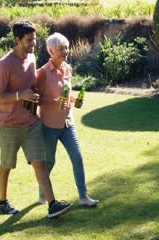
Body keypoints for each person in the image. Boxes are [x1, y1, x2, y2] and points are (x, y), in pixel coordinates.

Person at [0, 20, 72, 218]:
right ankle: (3, 202)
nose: (33, 43)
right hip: (8, 124)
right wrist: (20, 96)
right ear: (17, 40)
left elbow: (32, 84)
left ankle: (52, 205)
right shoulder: (4, 64)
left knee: (40, 163)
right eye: (28, 40)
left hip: (31, 122)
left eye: (34, 39)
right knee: (7, 165)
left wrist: (36, 94)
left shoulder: (32, 58)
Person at [36, 32, 99, 207]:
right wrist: (55, 103)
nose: (65, 51)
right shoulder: (42, 73)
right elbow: (37, 100)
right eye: (60, 49)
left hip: (67, 123)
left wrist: (75, 100)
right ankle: (42, 195)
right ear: (50, 51)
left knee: (77, 157)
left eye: (66, 48)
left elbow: (67, 95)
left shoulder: (67, 69)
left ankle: (83, 197)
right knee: (49, 162)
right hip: (49, 125)